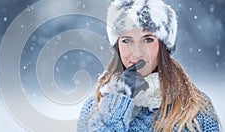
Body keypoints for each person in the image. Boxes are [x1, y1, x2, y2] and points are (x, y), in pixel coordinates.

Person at [77, 0, 221, 131]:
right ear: (117, 46)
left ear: (163, 46)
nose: (137, 53)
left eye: (148, 40)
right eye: (127, 41)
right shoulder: (94, 108)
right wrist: (116, 102)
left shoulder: (196, 109)